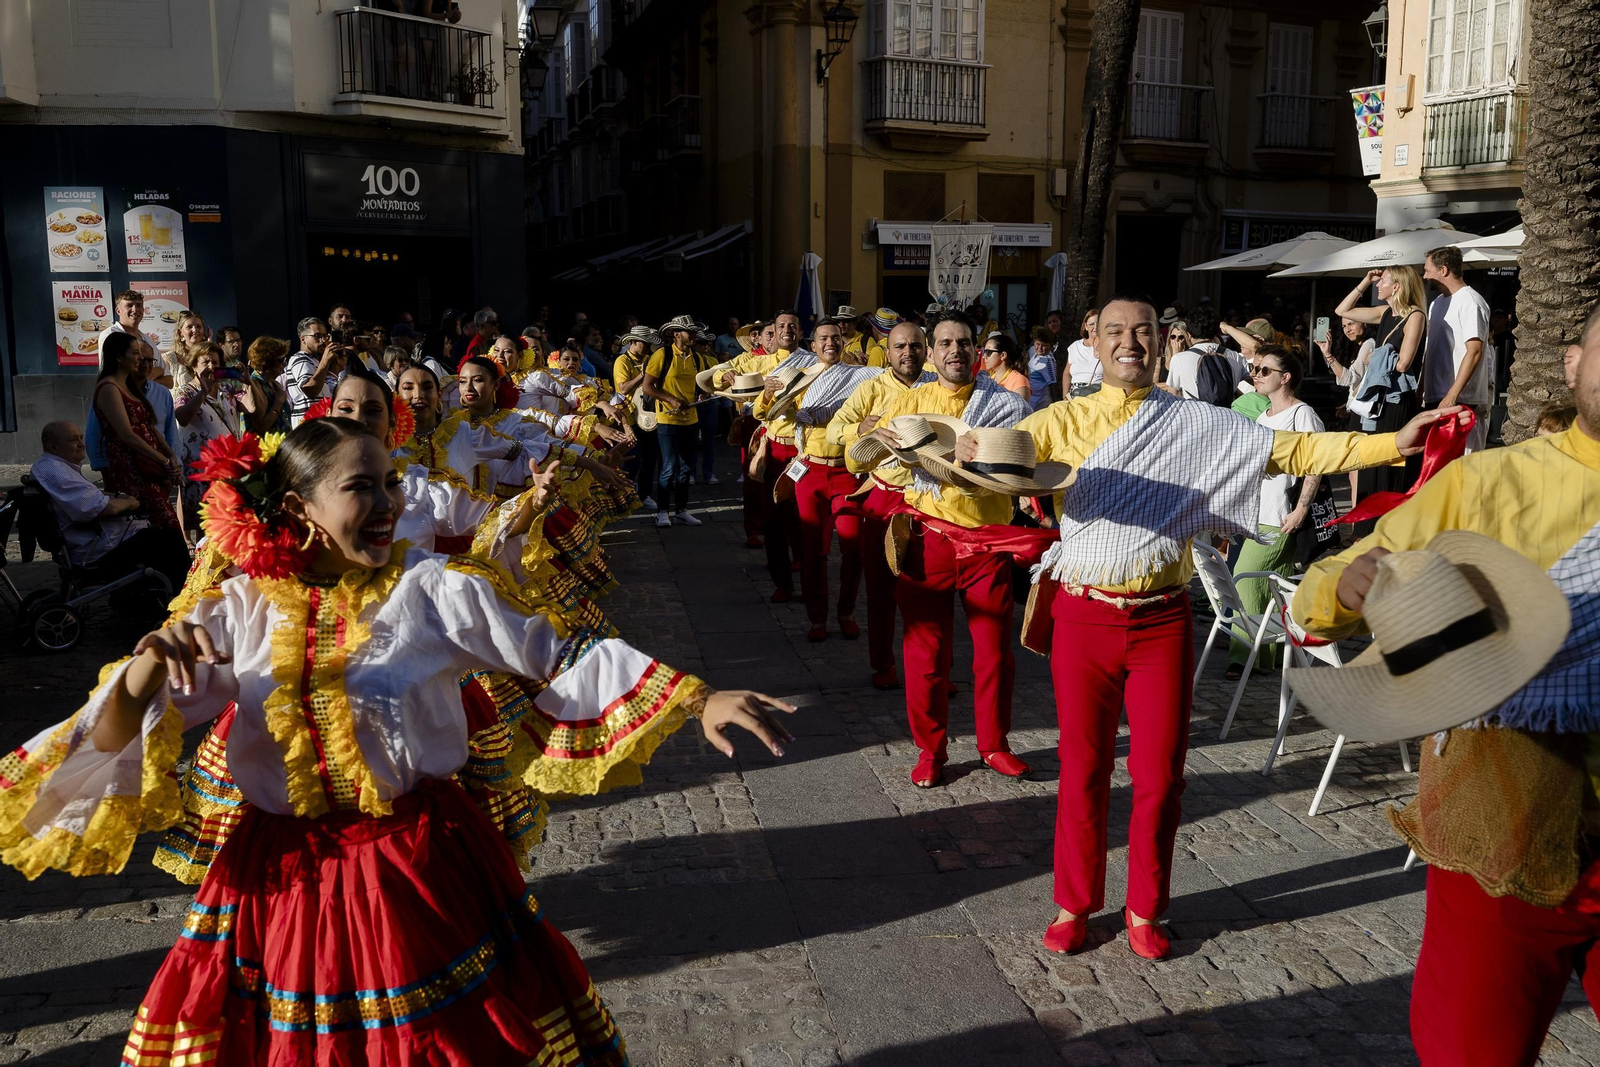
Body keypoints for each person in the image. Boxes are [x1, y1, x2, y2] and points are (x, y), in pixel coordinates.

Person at [0, 415, 796, 1065]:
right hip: (278, 878)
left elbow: (557, 654)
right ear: (299, 506)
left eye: (391, 483)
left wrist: (696, 698)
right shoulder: (238, 609)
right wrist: (144, 671)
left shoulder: (429, 589)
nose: (388, 503)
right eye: (361, 487)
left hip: (412, 864)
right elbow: (112, 731)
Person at [992, 294, 1461, 961]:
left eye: (1145, 331)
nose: (1132, 342)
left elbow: (1291, 450)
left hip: (1160, 622)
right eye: (1117, 332)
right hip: (1084, 614)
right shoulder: (1060, 419)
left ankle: (1146, 907)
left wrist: (1393, 440)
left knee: (1160, 775)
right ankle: (1074, 902)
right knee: (1084, 766)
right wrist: (922, 453)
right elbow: (986, 467)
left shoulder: (1198, 423)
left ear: (1161, 344)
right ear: (1093, 342)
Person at [1290, 298, 1600, 1067]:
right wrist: (1351, 582)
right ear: (1573, 362)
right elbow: (1323, 588)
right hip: (1499, 821)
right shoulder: (1489, 483)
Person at [847, 309, 1034, 788]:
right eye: (946, 343)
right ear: (931, 353)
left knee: (993, 653)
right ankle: (930, 750)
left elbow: (1026, 468)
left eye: (966, 343)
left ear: (979, 353)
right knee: (925, 653)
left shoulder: (1008, 405)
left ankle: (994, 745)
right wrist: (876, 437)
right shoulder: (911, 405)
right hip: (927, 539)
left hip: (986, 545)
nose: (956, 351)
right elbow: (862, 460)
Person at [753, 317, 881, 641]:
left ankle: (846, 611)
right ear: (813, 346)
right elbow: (764, 412)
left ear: (843, 341)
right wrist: (768, 395)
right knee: (814, 549)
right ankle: (818, 616)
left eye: (836, 337)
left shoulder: (858, 377)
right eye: (823, 338)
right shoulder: (800, 377)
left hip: (846, 471)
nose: (830, 343)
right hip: (809, 471)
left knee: (854, 548)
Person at [827, 321, 933, 687]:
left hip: (930, 497)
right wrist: (861, 430)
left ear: (926, 350)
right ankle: (883, 663)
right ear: (886, 353)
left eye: (915, 346)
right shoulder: (870, 388)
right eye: (900, 346)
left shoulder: (941, 386)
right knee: (881, 585)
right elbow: (833, 429)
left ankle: (932, 671)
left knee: (930, 590)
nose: (908, 353)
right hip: (883, 495)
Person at [1225, 346, 1323, 677]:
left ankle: (1243, 658)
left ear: (1286, 377)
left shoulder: (1302, 414)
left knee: (1243, 582)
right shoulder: (1264, 414)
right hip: (1258, 512)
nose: (1256, 374)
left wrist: (1301, 510)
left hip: (1282, 514)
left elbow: (1317, 464)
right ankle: (1267, 659)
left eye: (1265, 370)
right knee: (1270, 589)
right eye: (1255, 368)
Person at [29, 420, 191, 595]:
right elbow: (98, 508)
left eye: (81, 438)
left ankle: (145, 595)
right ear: (53, 446)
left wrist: (114, 496)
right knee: (169, 539)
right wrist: (130, 502)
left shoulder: (56, 467)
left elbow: (88, 498)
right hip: (95, 548)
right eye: (73, 440)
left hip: (94, 540)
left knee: (158, 534)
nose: (81, 444)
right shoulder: (56, 471)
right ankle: (183, 600)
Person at [1334, 265, 1427, 529]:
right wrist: (1364, 280)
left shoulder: (1415, 316)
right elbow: (1342, 311)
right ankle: (1365, 528)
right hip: (1378, 400)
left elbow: (1404, 363)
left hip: (1397, 400)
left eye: (1382, 281)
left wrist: (1380, 356)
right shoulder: (1385, 312)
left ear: (1396, 285)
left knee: (1390, 463)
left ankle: (1389, 527)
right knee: (1369, 460)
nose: (1378, 285)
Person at [92, 331, 180, 529]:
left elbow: (149, 424)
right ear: (119, 357)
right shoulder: (109, 388)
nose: (140, 359)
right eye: (135, 353)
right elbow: (127, 435)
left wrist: (170, 455)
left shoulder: (129, 385)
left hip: (150, 466)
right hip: (131, 468)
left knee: (160, 525)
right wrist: (163, 460)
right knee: (157, 523)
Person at [1423, 244, 1494, 452]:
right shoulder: (1436, 304)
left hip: (1461, 398)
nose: (1425, 276)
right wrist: (1422, 390)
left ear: (1443, 270)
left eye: (1428, 270)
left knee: (1459, 462)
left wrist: (1452, 394)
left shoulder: (1471, 301)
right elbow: (1431, 350)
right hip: (1436, 395)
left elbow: (1474, 351)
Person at [174, 341, 251, 532]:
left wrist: (248, 383)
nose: (211, 367)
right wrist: (203, 392)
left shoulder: (228, 390)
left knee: (229, 522)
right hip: (203, 469)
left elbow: (253, 408)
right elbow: (182, 417)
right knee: (206, 526)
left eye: (216, 363)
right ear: (194, 366)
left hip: (228, 466)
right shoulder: (186, 391)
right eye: (206, 362)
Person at [643, 316, 706, 527]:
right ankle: (662, 511)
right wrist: (671, 399)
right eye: (690, 332)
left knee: (687, 468)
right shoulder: (662, 355)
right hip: (667, 420)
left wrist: (701, 395)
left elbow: (701, 384)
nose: (694, 336)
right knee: (669, 467)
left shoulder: (697, 357)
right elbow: (648, 387)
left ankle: (681, 510)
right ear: (676, 334)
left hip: (691, 419)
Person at [613, 326, 661, 510]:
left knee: (650, 458)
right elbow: (623, 388)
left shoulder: (649, 359)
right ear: (633, 342)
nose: (648, 347)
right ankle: (624, 496)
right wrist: (644, 375)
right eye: (645, 344)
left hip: (649, 416)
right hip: (629, 419)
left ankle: (644, 494)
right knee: (633, 459)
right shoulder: (622, 361)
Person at [1163, 307, 1248, 402]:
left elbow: (1174, 395)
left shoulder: (1179, 358)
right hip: (1227, 414)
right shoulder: (1235, 356)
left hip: (1194, 414)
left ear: (1189, 335)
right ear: (1216, 332)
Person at [1318, 315, 1377, 431]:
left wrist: (1328, 355)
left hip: (1364, 412)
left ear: (1365, 322)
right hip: (1359, 408)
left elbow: (1349, 378)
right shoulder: (1359, 346)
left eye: (1351, 324)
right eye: (1344, 326)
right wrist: (1349, 404)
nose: (1347, 330)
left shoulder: (1369, 344)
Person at [285, 316, 346, 425]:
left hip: (320, 424)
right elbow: (311, 390)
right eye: (317, 336)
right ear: (303, 339)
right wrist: (325, 361)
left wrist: (338, 367)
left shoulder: (316, 361)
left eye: (325, 336)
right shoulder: (300, 358)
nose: (323, 340)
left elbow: (325, 392)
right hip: (308, 426)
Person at [243, 336, 291, 435]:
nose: (285, 364)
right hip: (265, 447)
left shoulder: (274, 383)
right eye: (281, 360)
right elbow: (261, 426)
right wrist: (278, 402)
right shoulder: (254, 384)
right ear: (266, 362)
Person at [1063, 310, 1103, 399]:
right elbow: (1067, 373)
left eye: (1098, 323)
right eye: (1091, 324)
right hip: (1074, 396)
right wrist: (1065, 395)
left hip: (1097, 396)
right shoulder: (1075, 347)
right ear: (1086, 327)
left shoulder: (1106, 346)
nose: (1095, 327)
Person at [981, 333, 1031, 399]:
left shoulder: (1018, 380)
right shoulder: (989, 379)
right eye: (984, 352)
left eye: (988, 352)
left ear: (1003, 355)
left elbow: (1020, 408)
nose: (984, 356)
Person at [1027, 326, 1059, 410]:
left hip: (1041, 404)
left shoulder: (1047, 361)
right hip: (1032, 401)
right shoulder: (1035, 355)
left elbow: (1053, 385)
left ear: (1050, 346)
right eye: (1038, 344)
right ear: (1034, 342)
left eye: (1044, 345)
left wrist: (1056, 406)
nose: (1040, 348)